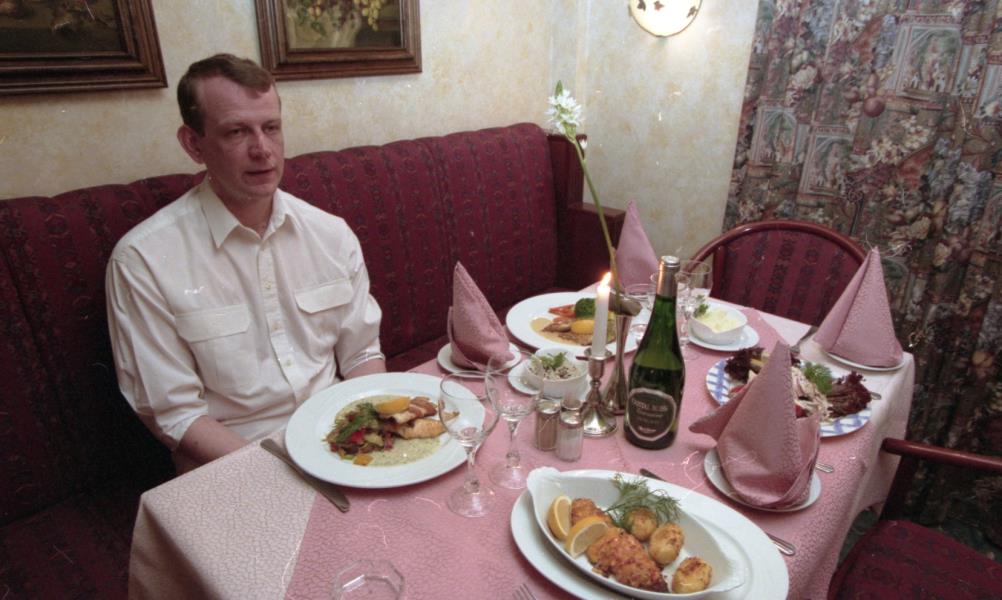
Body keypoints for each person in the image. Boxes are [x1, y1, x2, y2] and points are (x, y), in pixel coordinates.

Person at [106, 53, 385, 472]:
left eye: (271, 127)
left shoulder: (331, 234)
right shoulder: (143, 260)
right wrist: (284, 471)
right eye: (236, 132)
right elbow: (175, 415)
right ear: (193, 144)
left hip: (341, 440)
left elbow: (361, 354)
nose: (262, 150)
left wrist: (368, 437)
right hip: (233, 463)